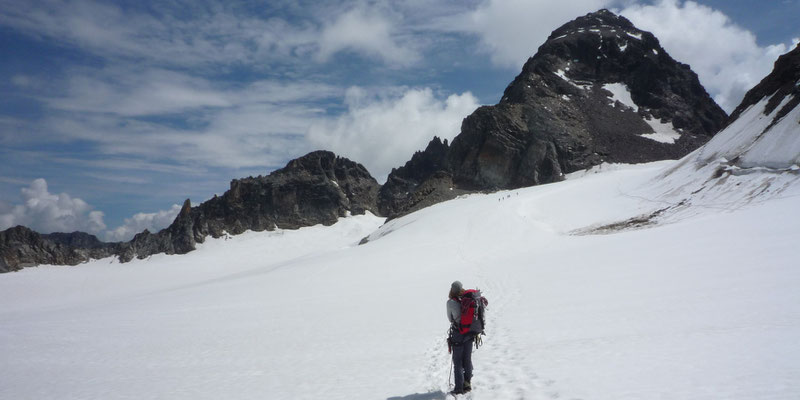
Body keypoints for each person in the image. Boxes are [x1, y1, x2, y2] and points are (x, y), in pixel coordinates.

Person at [447, 280, 474, 395]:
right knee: (467, 359)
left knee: (458, 361)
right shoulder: (467, 300)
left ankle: (459, 388)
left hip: (458, 333)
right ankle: (467, 384)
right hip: (469, 333)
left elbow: (450, 318)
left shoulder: (450, 302)